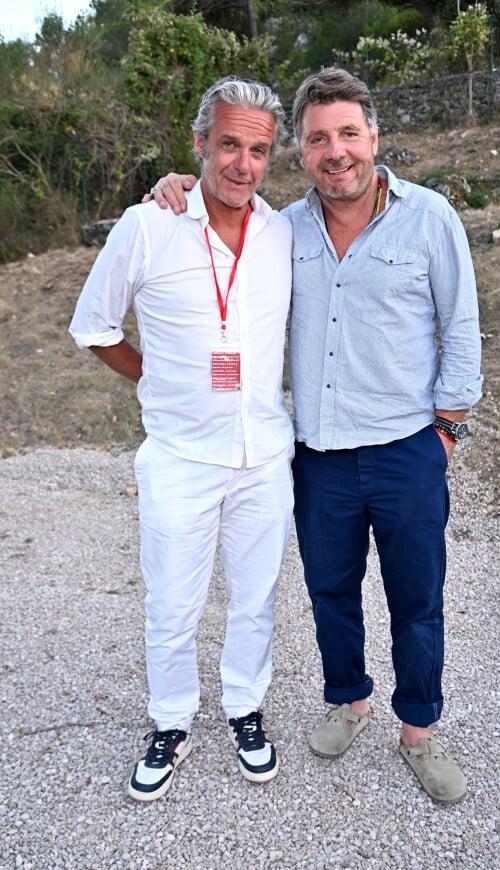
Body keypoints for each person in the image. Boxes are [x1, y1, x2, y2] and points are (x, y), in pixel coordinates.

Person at [147, 67, 483, 805]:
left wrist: (447, 435)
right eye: (320, 138)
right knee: (331, 591)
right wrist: (173, 186)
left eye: (349, 135)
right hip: (319, 456)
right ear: (301, 150)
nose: (337, 152)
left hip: (407, 452)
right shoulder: (279, 230)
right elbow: (214, 210)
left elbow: (460, 331)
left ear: (374, 138)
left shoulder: (430, 220)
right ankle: (350, 699)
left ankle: (420, 730)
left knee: (417, 596)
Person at [69, 77, 295, 801]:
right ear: (199, 146)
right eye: (228, 144)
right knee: (172, 603)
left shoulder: (283, 232)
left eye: (257, 149)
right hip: (178, 458)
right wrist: (154, 381)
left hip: (264, 455)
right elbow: (94, 327)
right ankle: (170, 721)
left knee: (256, 599)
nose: (242, 163)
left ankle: (243, 709)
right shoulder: (148, 225)